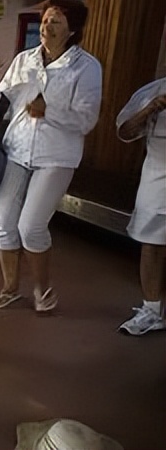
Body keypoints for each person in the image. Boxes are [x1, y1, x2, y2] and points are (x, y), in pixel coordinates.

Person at [0, 0, 102, 313]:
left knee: (31, 226)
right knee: (5, 221)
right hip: (18, 150)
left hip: (56, 156)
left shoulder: (86, 67)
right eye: (45, 19)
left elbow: (87, 119)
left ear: (72, 29)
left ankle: (42, 289)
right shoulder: (25, 60)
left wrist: (51, 111)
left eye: (56, 20)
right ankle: (9, 287)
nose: (47, 25)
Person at [116, 78, 166, 335]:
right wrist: (149, 110)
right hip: (157, 177)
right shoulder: (151, 91)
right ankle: (152, 310)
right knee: (152, 243)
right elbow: (124, 132)